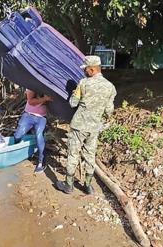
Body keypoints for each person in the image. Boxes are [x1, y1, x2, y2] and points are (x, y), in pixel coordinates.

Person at [56, 55, 117, 195]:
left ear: (92, 69)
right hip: (94, 127)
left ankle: (68, 184)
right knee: (90, 154)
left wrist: (73, 93)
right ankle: (88, 186)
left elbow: (73, 103)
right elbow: (109, 110)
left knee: (73, 153)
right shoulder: (110, 87)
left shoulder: (83, 83)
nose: (84, 72)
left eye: (86, 69)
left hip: (79, 125)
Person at [14, 89, 52, 173]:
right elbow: (30, 101)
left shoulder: (49, 87)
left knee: (39, 136)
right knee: (17, 136)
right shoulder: (32, 85)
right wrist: (44, 99)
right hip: (28, 115)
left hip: (41, 117)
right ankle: (20, 153)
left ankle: (41, 162)